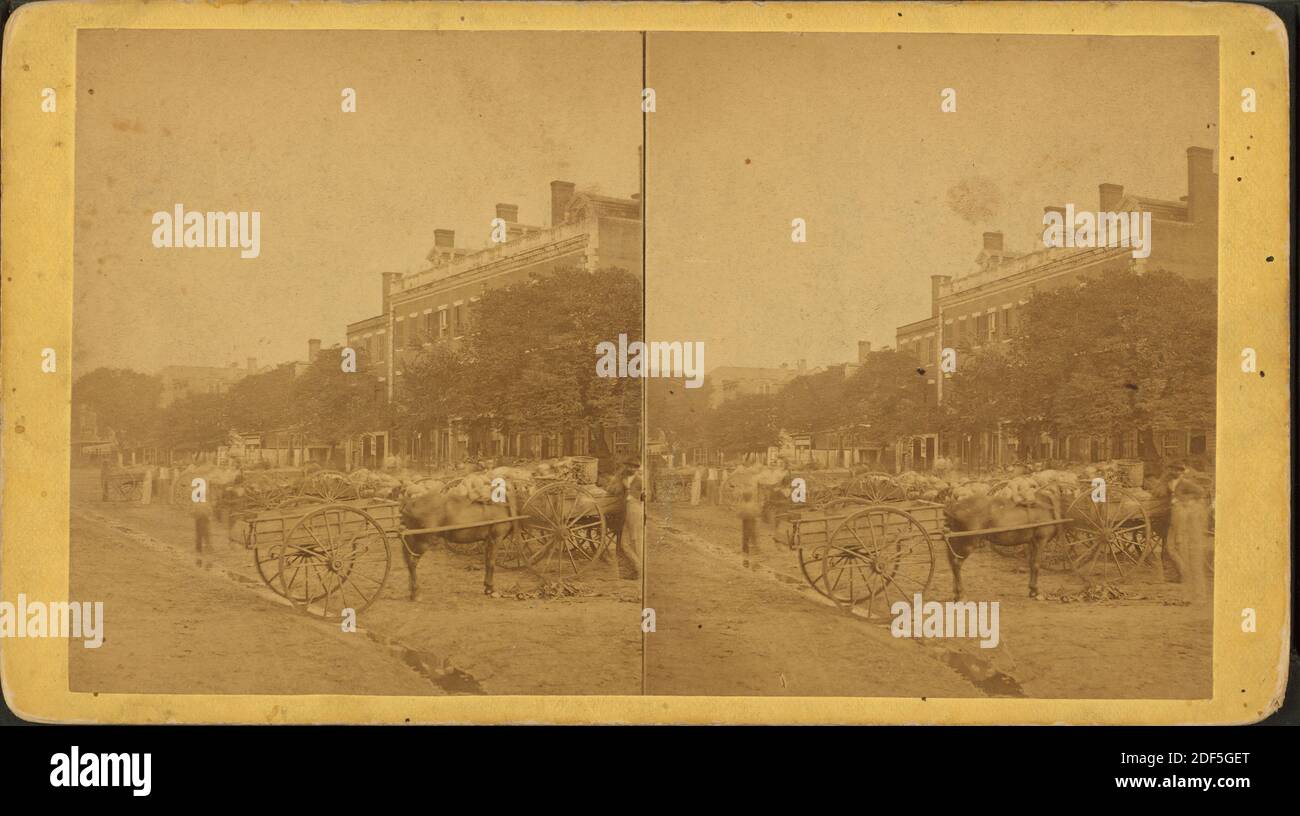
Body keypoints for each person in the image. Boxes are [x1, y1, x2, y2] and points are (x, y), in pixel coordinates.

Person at [737, 490, 762, 554]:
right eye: (745, 496)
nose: (746, 497)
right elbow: (739, 513)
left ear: (750, 497)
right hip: (745, 521)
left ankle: (755, 548)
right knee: (746, 535)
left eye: (747, 496)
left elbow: (758, 512)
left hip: (752, 520)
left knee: (753, 534)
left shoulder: (753, 504)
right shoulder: (743, 504)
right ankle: (745, 549)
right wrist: (743, 514)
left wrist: (753, 514)